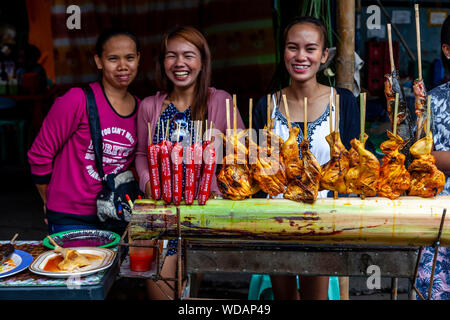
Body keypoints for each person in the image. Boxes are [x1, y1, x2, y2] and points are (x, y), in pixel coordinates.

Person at [252, 16, 360, 299]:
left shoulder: (344, 102)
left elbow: (352, 169)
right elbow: (258, 172)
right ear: (284, 52)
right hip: (275, 220)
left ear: (324, 55)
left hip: (326, 222)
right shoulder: (266, 105)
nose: (301, 56)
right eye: (292, 47)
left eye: (310, 49)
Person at [135, 26, 244, 299]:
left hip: (204, 214)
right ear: (162, 62)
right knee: (160, 288)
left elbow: (239, 158)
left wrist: (216, 187)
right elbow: (139, 155)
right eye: (171, 56)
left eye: (188, 55)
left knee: (187, 289)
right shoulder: (150, 106)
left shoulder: (220, 101)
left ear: (202, 61)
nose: (179, 63)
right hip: (162, 213)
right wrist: (148, 182)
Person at [28, 29, 141, 235]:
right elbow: (39, 154)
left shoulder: (141, 109)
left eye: (130, 58)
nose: (123, 66)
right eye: (113, 58)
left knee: (115, 268)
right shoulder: (77, 100)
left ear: (138, 60)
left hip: (115, 216)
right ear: (99, 61)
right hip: (71, 217)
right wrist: (48, 200)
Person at [416, 15, 450, 300]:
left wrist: (441, 158)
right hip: (438, 214)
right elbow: (418, 158)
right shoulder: (433, 100)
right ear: (448, 50)